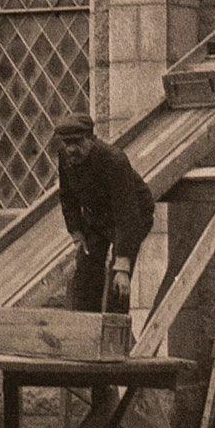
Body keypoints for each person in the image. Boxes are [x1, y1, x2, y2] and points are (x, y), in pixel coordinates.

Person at [54, 113, 153, 314]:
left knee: (118, 284)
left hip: (132, 217)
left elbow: (127, 214)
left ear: (91, 139)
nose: (71, 148)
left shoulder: (114, 161)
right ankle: (86, 334)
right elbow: (67, 196)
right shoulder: (66, 157)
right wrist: (76, 233)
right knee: (85, 277)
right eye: (67, 143)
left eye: (77, 142)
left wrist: (123, 266)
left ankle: (115, 337)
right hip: (97, 219)